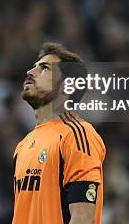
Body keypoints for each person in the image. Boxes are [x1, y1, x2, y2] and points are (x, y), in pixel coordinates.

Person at [12, 42, 106, 224]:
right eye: (34, 67)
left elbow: (83, 218)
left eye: (44, 68)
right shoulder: (23, 146)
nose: (30, 72)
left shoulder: (77, 135)